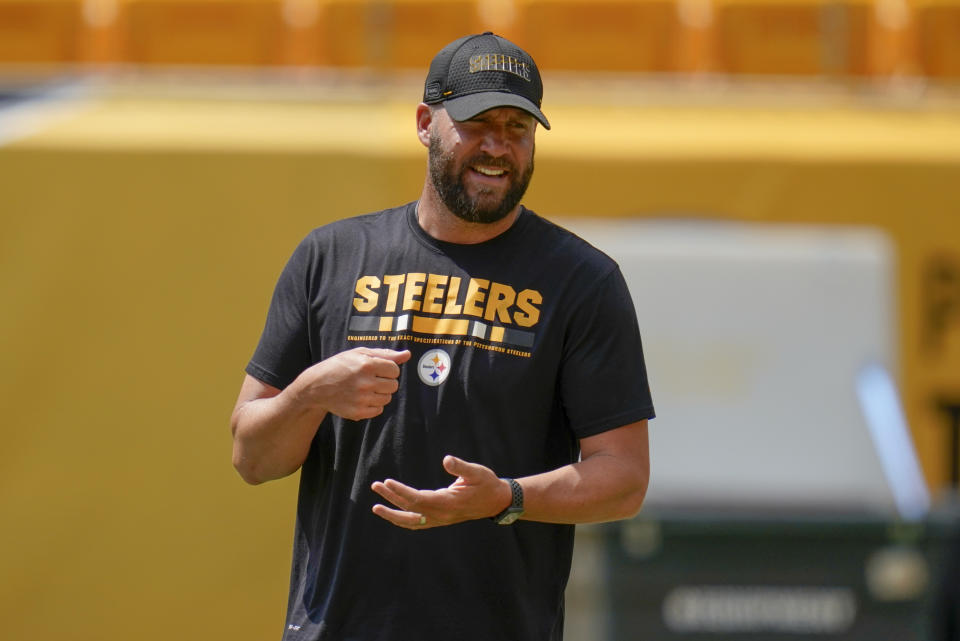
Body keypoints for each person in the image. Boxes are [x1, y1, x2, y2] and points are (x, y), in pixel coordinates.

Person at [230, 31, 655, 641]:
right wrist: (309, 394)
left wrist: (505, 497)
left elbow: (623, 480)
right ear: (427, 122)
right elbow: (250, 457)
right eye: (477, 123)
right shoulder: (330, 256)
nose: (497, 147)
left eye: (517, 128)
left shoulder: (582, 281)